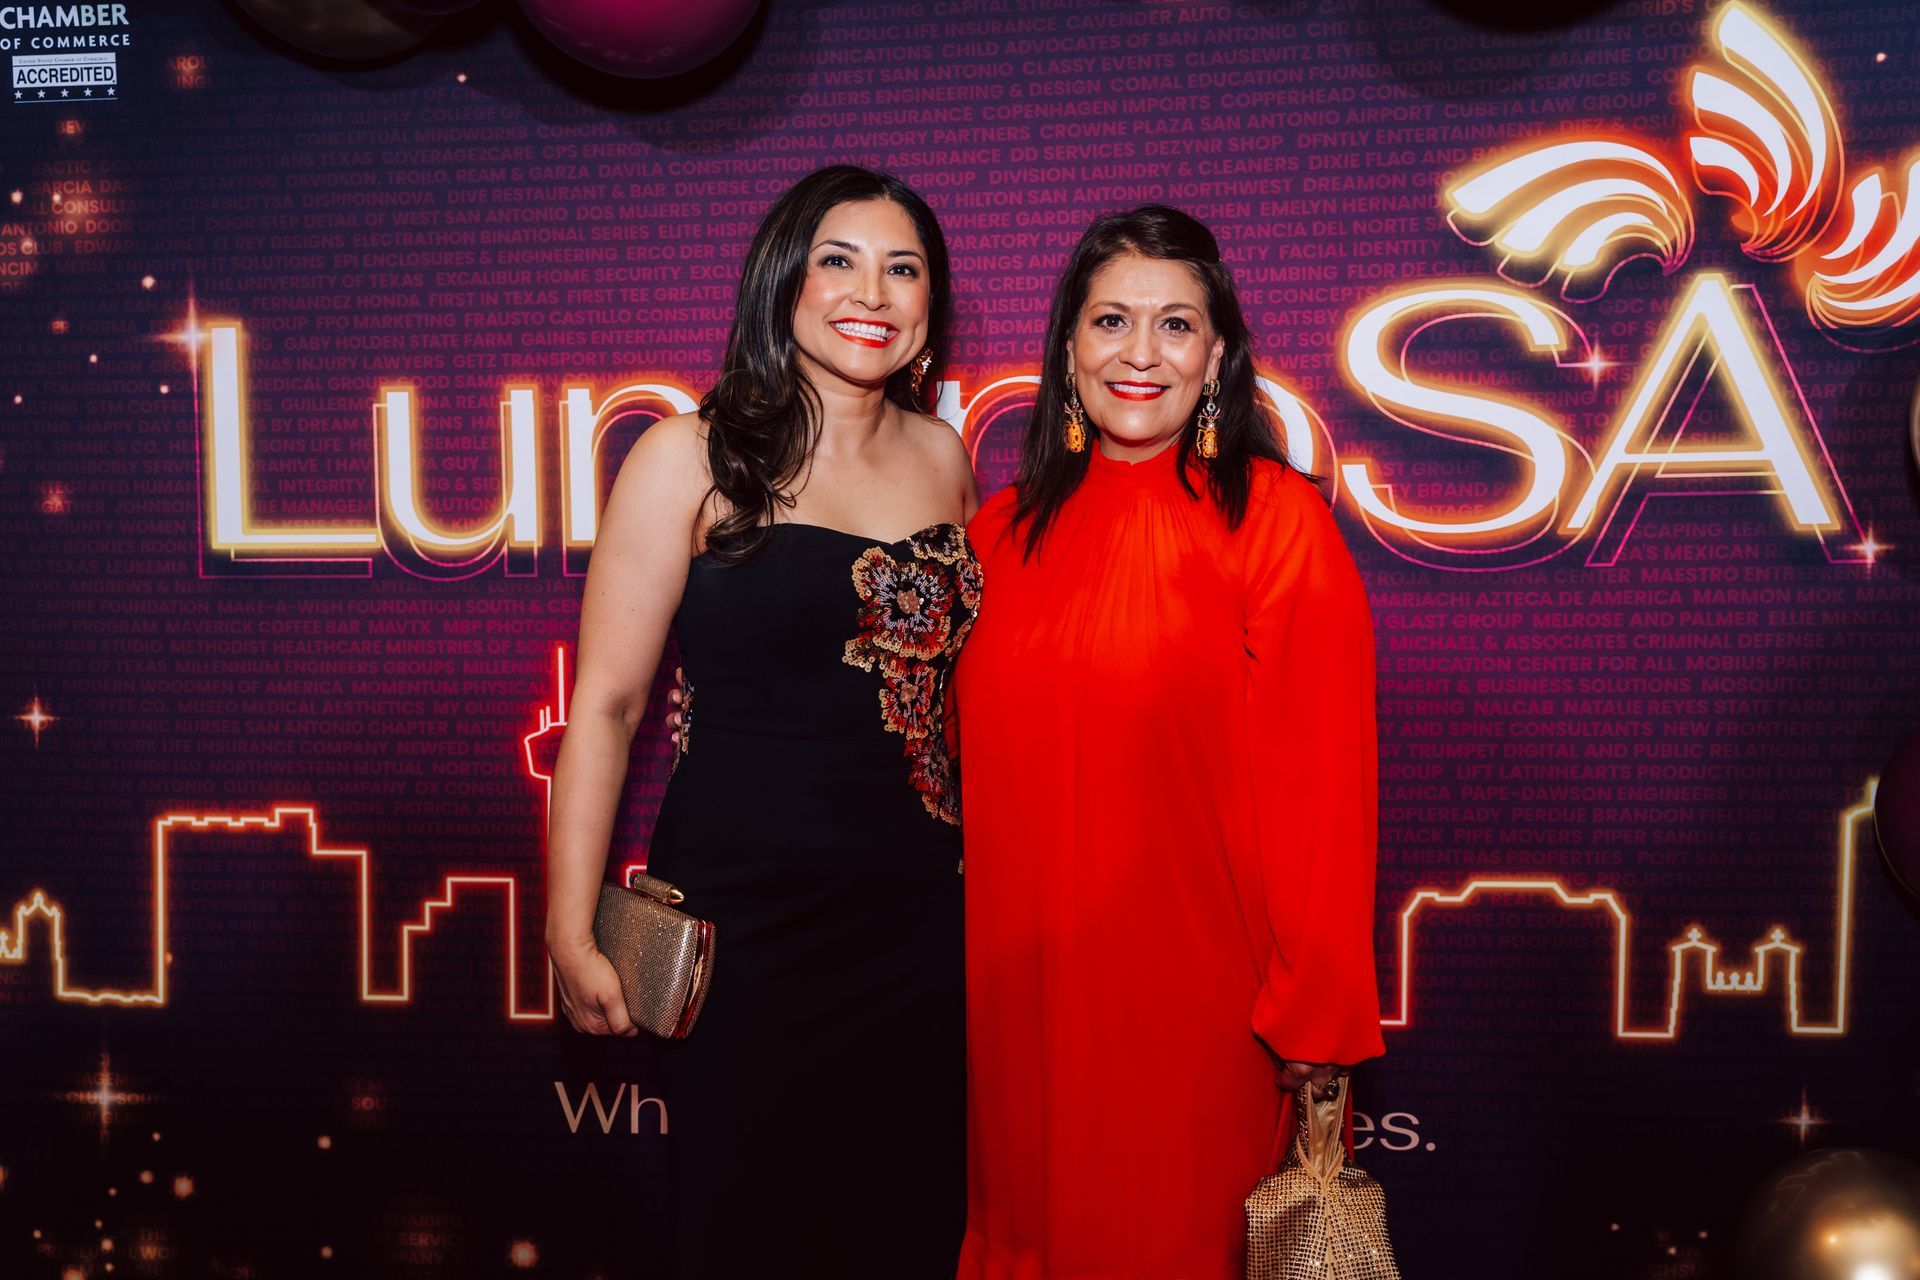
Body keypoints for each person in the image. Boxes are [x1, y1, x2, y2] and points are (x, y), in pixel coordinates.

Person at [542, 164, 979, 1279]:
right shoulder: (687, 454)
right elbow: (607, 706)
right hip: (746, 933)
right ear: (784, 280)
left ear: (931, 305)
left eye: (903, 268)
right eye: (839, 260)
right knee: (744, 1231)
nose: (871, 291)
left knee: (907, 1230)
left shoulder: (945, 459)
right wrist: (569, 926)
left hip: (920, 926)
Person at [954, 206, 1386, 1278]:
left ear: (1218, 355)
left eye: (1175, 324)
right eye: (1111, 320)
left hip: (1200, 1013)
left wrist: (1317, 1016)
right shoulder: (994, 535)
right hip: (1018, 1009)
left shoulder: (1276, 521)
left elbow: (1324, 786)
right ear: (1067, 349)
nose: (1139, 353)